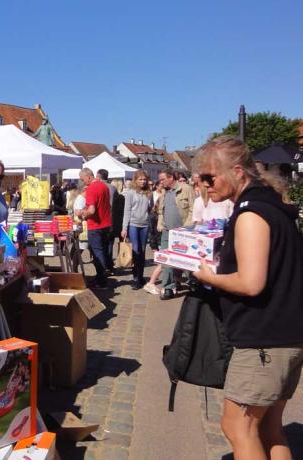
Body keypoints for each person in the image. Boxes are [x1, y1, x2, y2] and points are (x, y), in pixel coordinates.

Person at [192, 136, 303, 460]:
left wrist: (210, 277)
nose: (205, 185)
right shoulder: (273, 205)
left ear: (237, 172)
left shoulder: (251, 214)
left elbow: (252, 282)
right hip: (287, 334)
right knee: (269, 429)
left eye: (209, 177)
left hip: (264, 341)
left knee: (237, 427)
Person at [156, 167, 194, 299]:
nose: (161, 182)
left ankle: (188, 282)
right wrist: (160, 224)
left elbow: (192, 209)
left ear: (171, 177)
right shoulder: (164, 193)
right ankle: (167, 287)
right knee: (166, 261)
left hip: (183, 232)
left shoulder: (186, 189)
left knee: (184, 260)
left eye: (163, 179)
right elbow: (161, 211)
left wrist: (187, 227)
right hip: (167, 231)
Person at [76, 168, 112, 288]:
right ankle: (101, 278)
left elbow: (91, 210)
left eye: (82, 179)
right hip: (106, 224)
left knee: (97, 254)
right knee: (102, 252)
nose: (82, 182)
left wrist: (82, 214)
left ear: (88, 176)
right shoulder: (104, 186)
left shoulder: (91, 188)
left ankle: (101, 281)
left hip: (96, 226)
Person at [121, 170, 152, 289]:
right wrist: (124, 228)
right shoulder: (130, 193)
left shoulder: (149, 193)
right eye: (140, 179)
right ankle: (135, 277)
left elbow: (150, 209)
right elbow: (127, 211)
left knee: (143, 251)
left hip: (144, 225)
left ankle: (140, 276)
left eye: (144, 179)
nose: (143, 181)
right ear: (136, 180)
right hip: (133, 224)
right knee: (136, 250)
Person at [97, 169, 119, 271]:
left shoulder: (97, 187)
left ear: (98, 176)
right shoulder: (113, 188)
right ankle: (109, 265)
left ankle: (104, 265)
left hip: (100, 220)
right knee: (110, 243)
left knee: (101, 244)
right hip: (112, 220)